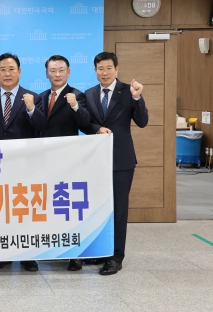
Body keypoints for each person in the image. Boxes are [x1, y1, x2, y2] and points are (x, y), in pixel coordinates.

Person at [0, 52, 47, 272]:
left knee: (24, 209)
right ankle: (2, 254)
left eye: (11, 69)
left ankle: (27, 255)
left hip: (25, 164)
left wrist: (31, 108)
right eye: (2, 70)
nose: (7, 74)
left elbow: (41, 127)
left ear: (19, 71)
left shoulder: (33, 97)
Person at [84, 51, 148, 275]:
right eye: (100, 69)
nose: (105, 72)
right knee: (99, 209)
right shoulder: (89, 94)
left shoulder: (129, 92)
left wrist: (138, 98)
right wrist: (96, 129)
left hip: (121, 160)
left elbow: (142, 122)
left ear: (117, 69)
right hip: (96, 161)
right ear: (95, 71)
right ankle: (102, 252)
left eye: (109, 68)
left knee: (119, 210)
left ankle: (116, 257)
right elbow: (86, 123)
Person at [39, 55, 90, 271]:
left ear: (68, 72)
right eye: (53, 70)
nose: (57, 74)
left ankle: (76, 255)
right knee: (51, 207)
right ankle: (55, 248)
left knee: (69, 208)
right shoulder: (41, 97)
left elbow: (86, 123)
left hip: (69, 162)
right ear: (46, 73)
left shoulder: (77, 95)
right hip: (45, 162)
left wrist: (76, 106)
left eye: (61, 70)